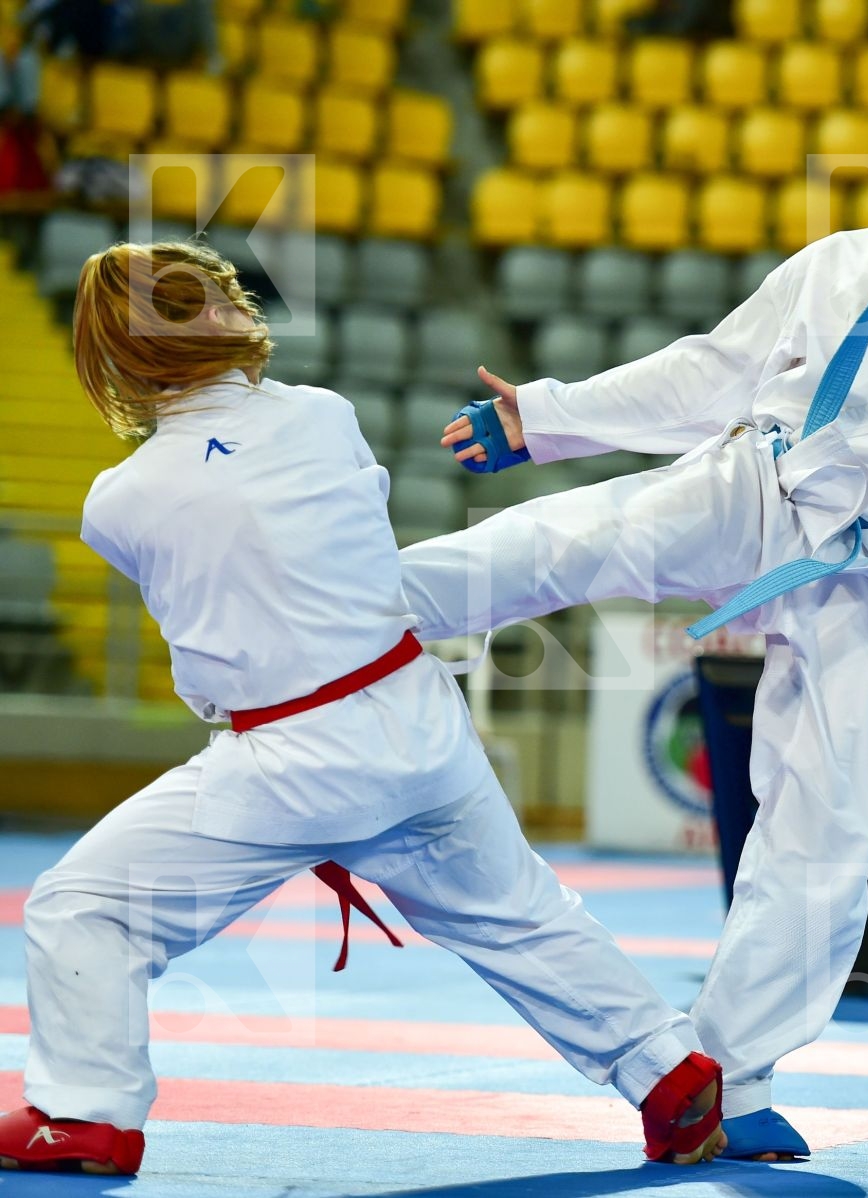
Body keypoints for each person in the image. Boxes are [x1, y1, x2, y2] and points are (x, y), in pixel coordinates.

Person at [401, 43, 868, 1162]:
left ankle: (734, 1074)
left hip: (862, 564)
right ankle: (342, 619)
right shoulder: (839, 262)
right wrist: (548, 417)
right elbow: (709, 371)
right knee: (561, 543)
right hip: (757, 485)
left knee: (826, 822)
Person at [0, 241, 728, 1176]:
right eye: (204, 297)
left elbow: (218, 612)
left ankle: (85, 1115)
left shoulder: (119, 501)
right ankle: (669, 1075)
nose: (226, 302)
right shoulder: (323, 414)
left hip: (289, 756)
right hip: (417, 717)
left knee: (86, 906)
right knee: (516, 912)